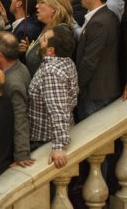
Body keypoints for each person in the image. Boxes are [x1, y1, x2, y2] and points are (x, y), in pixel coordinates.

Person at [29, 26, 78, 168]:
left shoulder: (51, 72)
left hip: (45, 139)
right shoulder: (66, 61)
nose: (39, 43)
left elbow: (58, 110)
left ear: (51, 50)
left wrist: (58, 147)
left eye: (43, 40)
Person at [76, 0, 121, 119]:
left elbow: (90, 61)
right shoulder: (104, 17)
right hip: (97, 91)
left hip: (96, 93)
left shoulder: (100, 22)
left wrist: (76, 86)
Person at [0, 32, 33, 167]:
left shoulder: (12, 83)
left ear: (0, 55)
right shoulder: (19, 66)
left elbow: (20, 116)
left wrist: (21, 153)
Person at [23, 0, 74, 77]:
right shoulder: (47, 27)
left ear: (54, 7)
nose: (37, 6)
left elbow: (54, 73)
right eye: (38, 2)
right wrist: (30, 50)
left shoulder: (61, 34)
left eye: (42, 2)